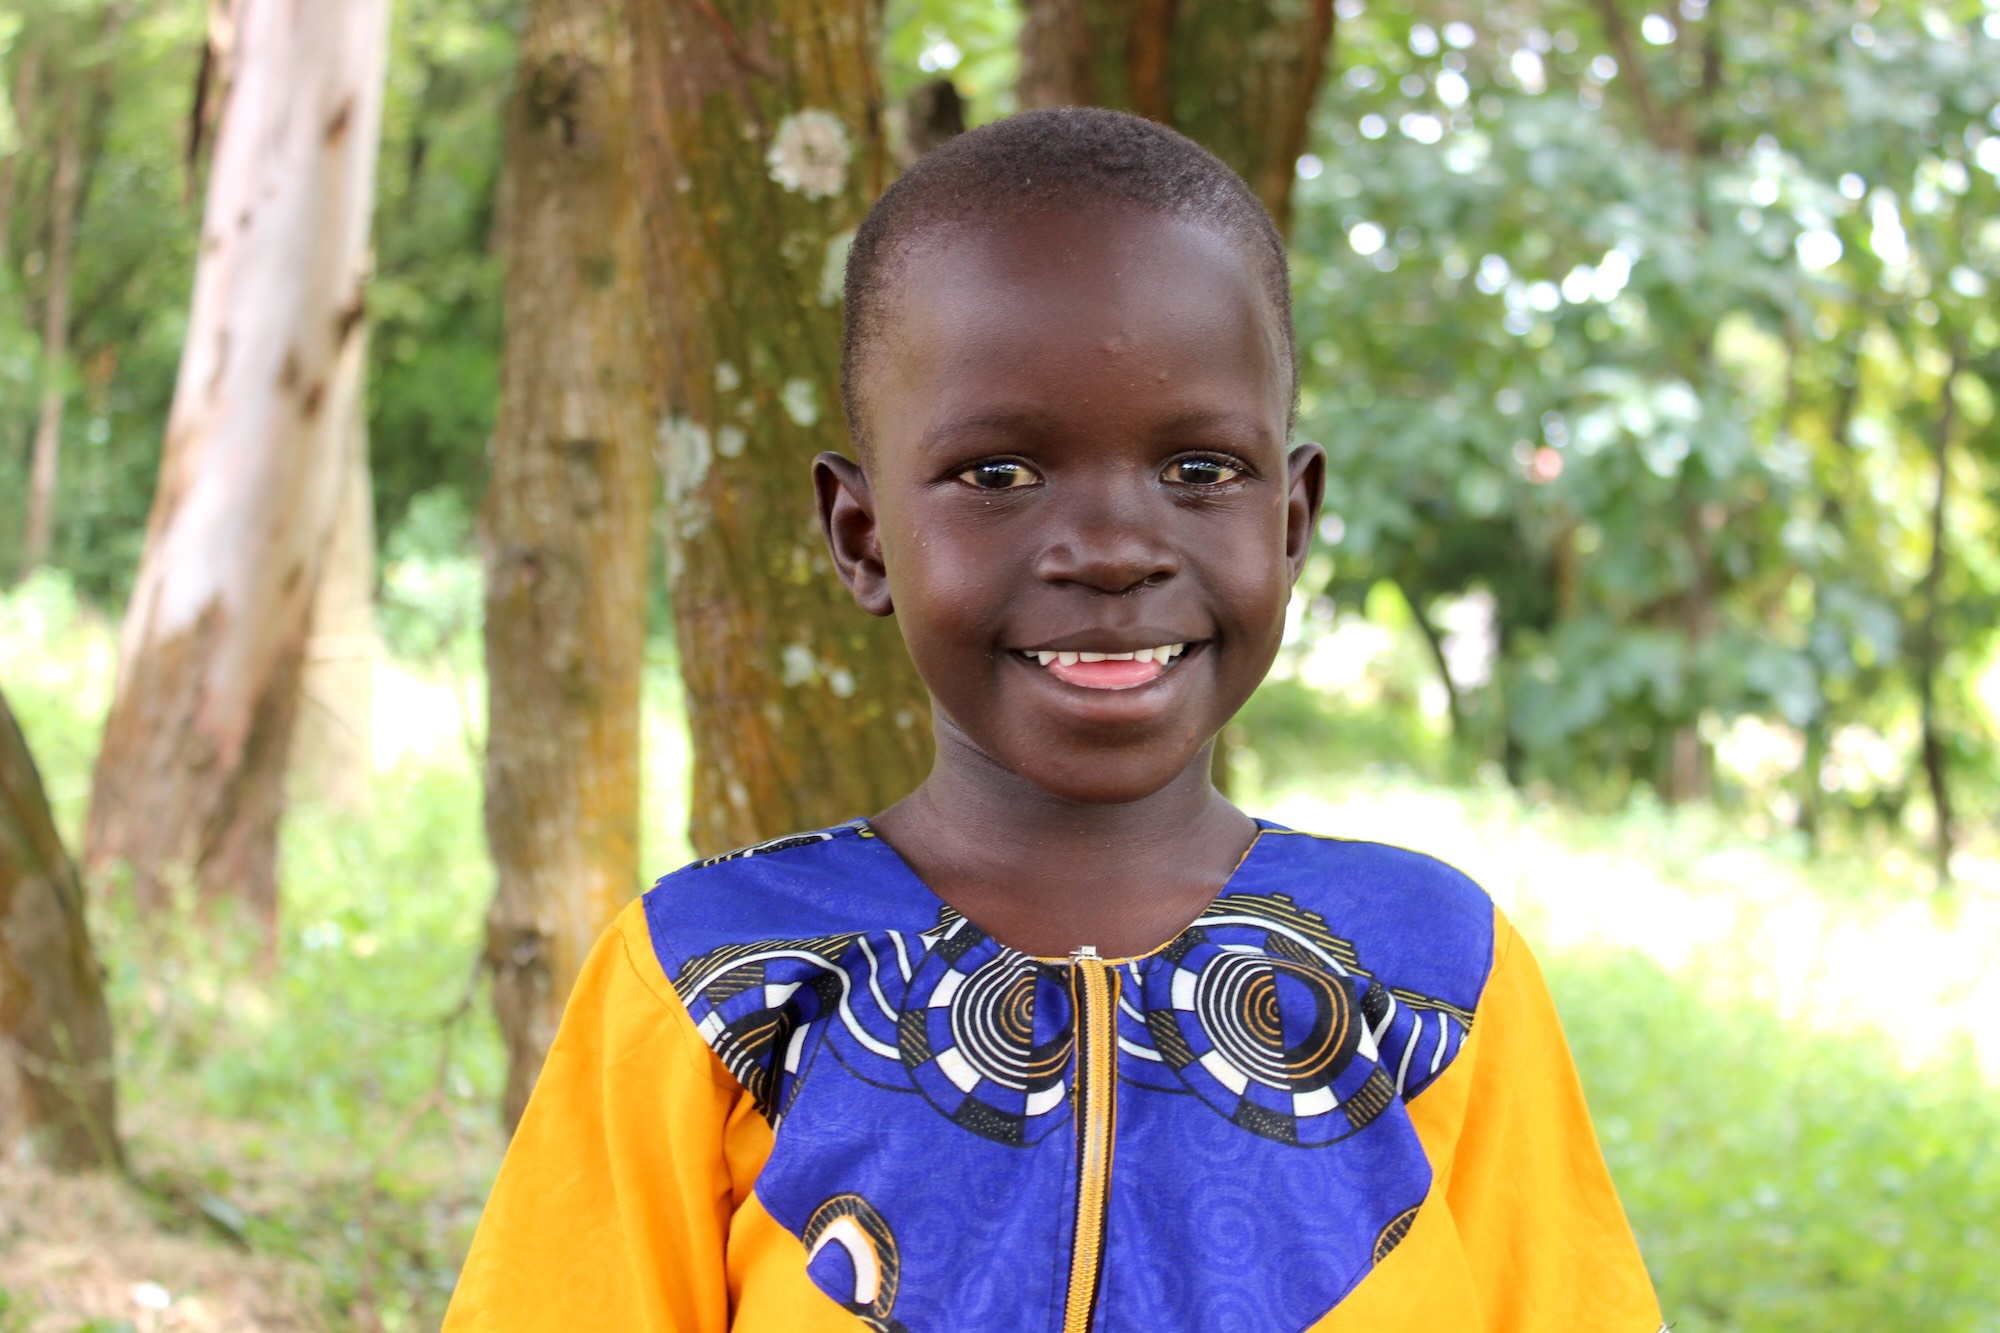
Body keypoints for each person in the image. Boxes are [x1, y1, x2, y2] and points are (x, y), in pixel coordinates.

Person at [444, 107, 1662, 1333]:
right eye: (998, 473)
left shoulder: (1430, 978)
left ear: (1290, 522)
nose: (1115, 552)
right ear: (862, 537)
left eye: (1196, 470)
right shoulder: (711, 985)